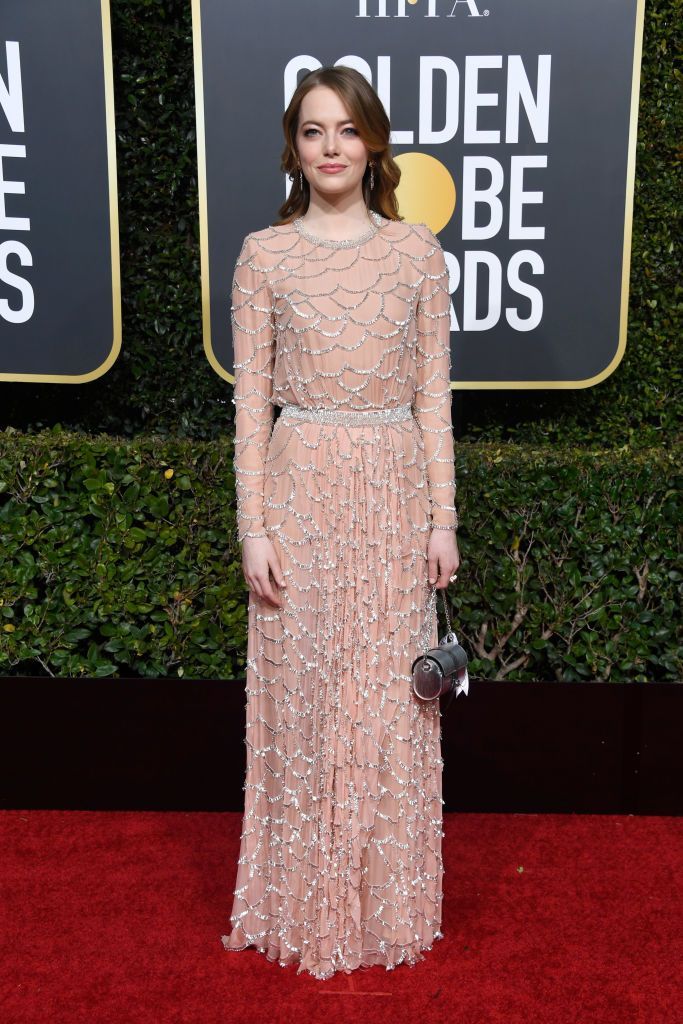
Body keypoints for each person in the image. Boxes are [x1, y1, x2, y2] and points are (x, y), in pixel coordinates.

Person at [221, 66, 460, 981]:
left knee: (390, 708)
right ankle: (300, 901)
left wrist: (442, 517)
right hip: (301, 492)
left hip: (394, 494)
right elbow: (249, 407)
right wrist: (253, 527)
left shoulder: (414, 255)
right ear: (295, 147)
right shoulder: (263, 256)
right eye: (314, 130)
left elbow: (433, 397)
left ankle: (383, 901)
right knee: (308, 702)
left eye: (347, 130)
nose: (331, 147)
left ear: (373, 144)